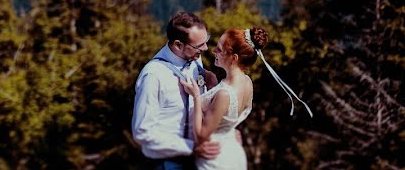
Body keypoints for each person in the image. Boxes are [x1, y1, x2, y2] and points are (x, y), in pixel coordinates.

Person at [181, 27, 312, 170]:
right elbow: (227, 117)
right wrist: (212, 83)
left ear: (233, 57)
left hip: (216, 159)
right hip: (233, 152)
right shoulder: (247, 83)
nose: (214, 52)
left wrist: (196, 97)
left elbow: (201, 135)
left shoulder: (224, 94)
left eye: (219, 49)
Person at [132, 12, 221, 169]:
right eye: (199, 46)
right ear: (178, 45)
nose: (206, 48)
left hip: (198, 159)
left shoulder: (194, 59)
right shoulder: (153, 76)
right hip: (167, 162)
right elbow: (142, 132)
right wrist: (190, 146)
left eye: (205, 41)